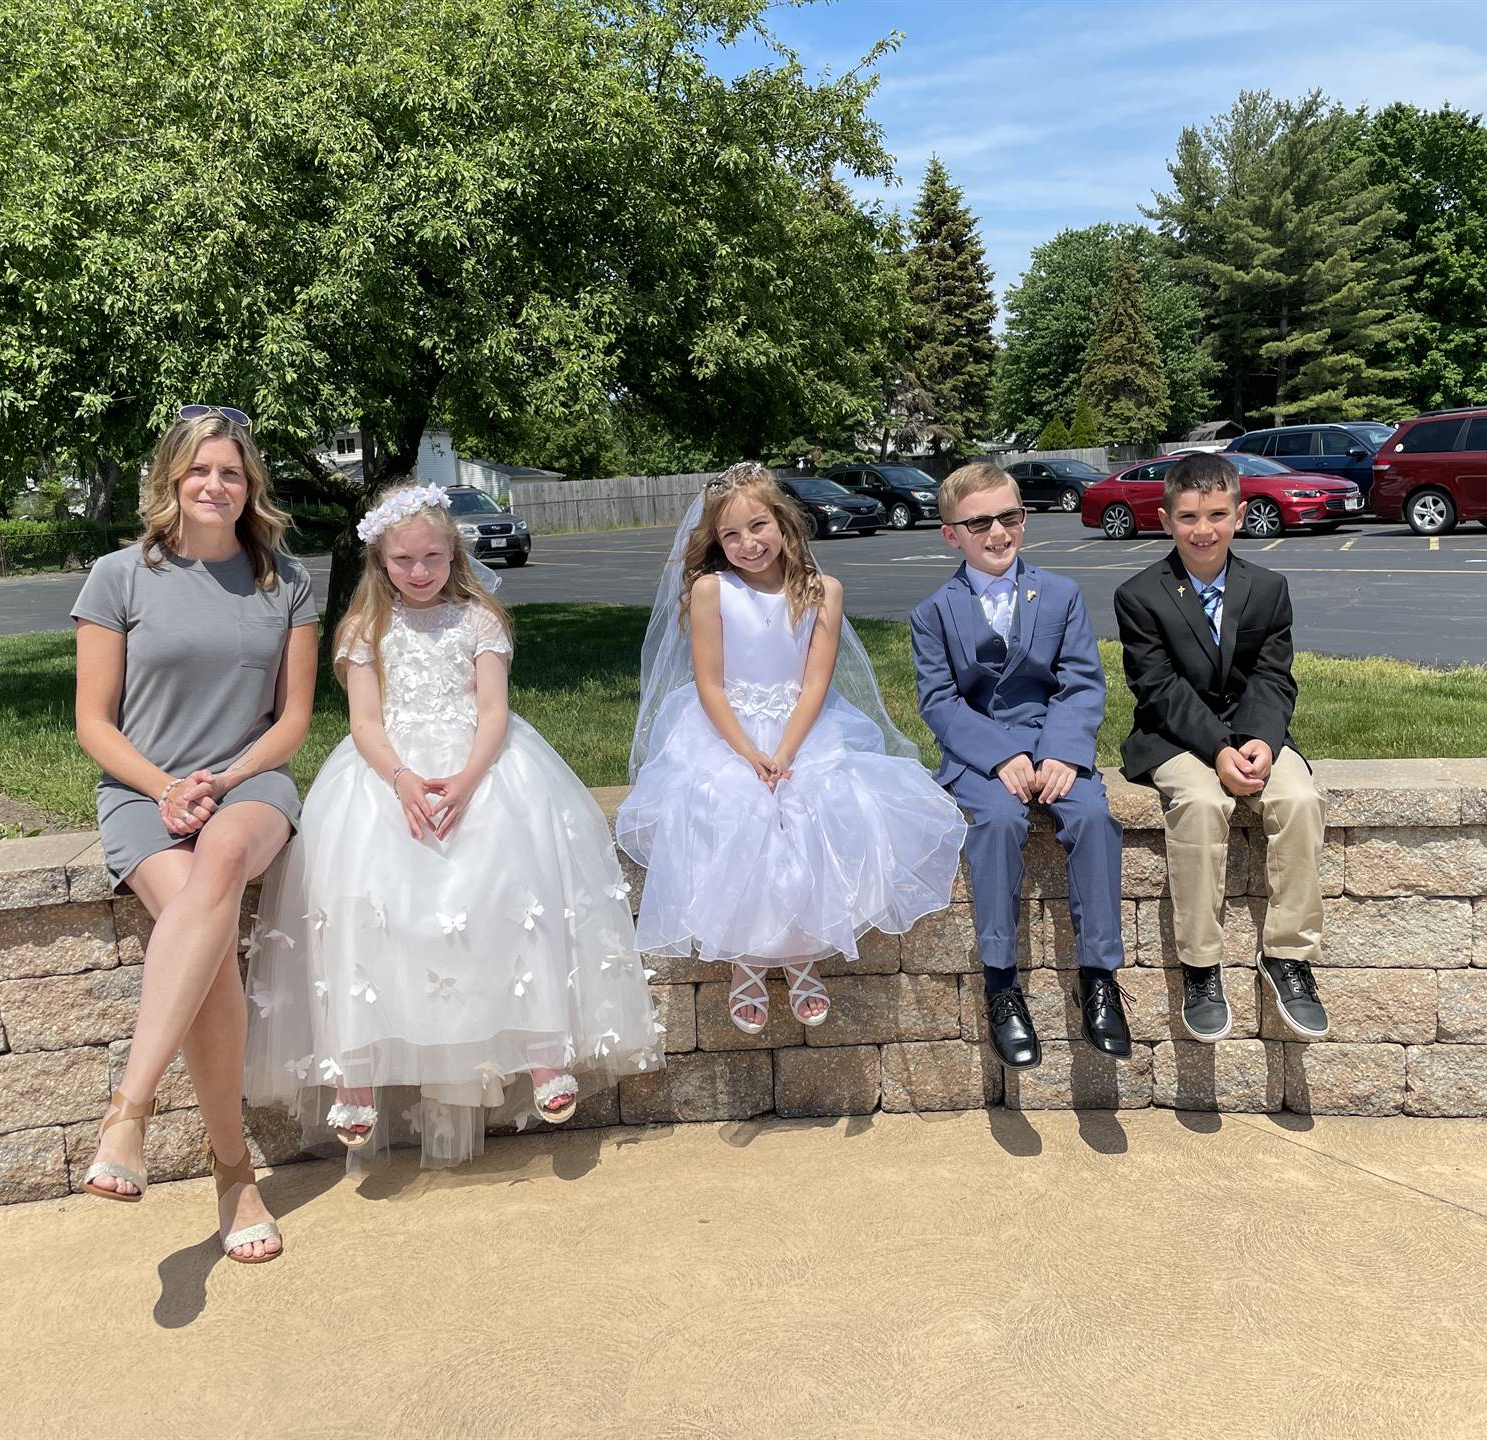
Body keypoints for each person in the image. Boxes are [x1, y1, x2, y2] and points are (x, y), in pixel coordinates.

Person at [243, 484, 662, 1169]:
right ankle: (356, 1069)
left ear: (452, 552)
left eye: (432, 556)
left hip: (480, 763)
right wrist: (404, 781)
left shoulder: (478, 621)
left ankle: (543, 1051)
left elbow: (493, 709)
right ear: (381, 561)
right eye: (403, 559)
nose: (419, 570)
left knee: (508, 887)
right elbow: (366, 722)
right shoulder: (363, 631)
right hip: (389, 773)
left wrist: (468, 778)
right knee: (364, 898)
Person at [71, 404, 317, 1265]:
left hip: (250, 785)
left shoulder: (284, 581)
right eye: (200, 471)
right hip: (143, 794)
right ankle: (232, 1171)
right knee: (210, 953)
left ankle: (127, 1112)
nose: (216, 486)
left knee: (218, 859)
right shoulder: (118, 576)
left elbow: (291, 722)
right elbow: (94, 724)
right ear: (172, 479)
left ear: (251, 486)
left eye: (232, 473)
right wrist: (166, 786)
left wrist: (227, 779)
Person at [617, 463, 966, 1034]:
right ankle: (747, 963)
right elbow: (708, 683)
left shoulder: (822, 592)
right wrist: (749, 753)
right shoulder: (712, 590)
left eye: (758, 526)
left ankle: (804, 956)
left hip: (805, 727)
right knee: (734, 810)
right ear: (716, 542)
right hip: (724, 729)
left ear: (783, 523)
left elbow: (814, 684)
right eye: (731, 535)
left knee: (819, 809)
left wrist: (785, 748)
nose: (747, 544)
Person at [909, 461, 1130, 1070]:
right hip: (981, 758)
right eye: (978, 522)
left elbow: (1081, 682)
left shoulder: (1059, 594)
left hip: (1055, 746)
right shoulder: (934, 613)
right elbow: (939, 700)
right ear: (951, 533)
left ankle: (1101, 979)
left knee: (1091, 819)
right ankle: (1002, 984)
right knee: (999, 826)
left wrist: (1061, 751)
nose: (998, 533)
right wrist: (1000, 754)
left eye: (1010, 516)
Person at [1113, 451, 1330, 1042]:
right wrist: (1216, 752)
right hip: (1175, 735)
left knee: (1299, 801)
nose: (1202, 529)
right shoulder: (1140, 596)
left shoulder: (1268, 588)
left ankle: (1288, 955)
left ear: (1238, 514)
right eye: (1188, 517)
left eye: (1215, 514)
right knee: (1204, 806)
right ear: (1165, 520)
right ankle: (1201, 967)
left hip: (1254, 730)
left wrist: (1260, 740)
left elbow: (1274, 675)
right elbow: (1157, 688)